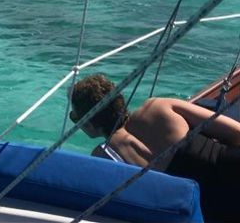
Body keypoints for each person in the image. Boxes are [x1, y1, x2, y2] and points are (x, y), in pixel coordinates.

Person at [70, 73, 240, 222]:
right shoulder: (158, 106)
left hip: (214, 207)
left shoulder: (104, 155)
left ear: (89, 123)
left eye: (75, 117)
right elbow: (236, 133)